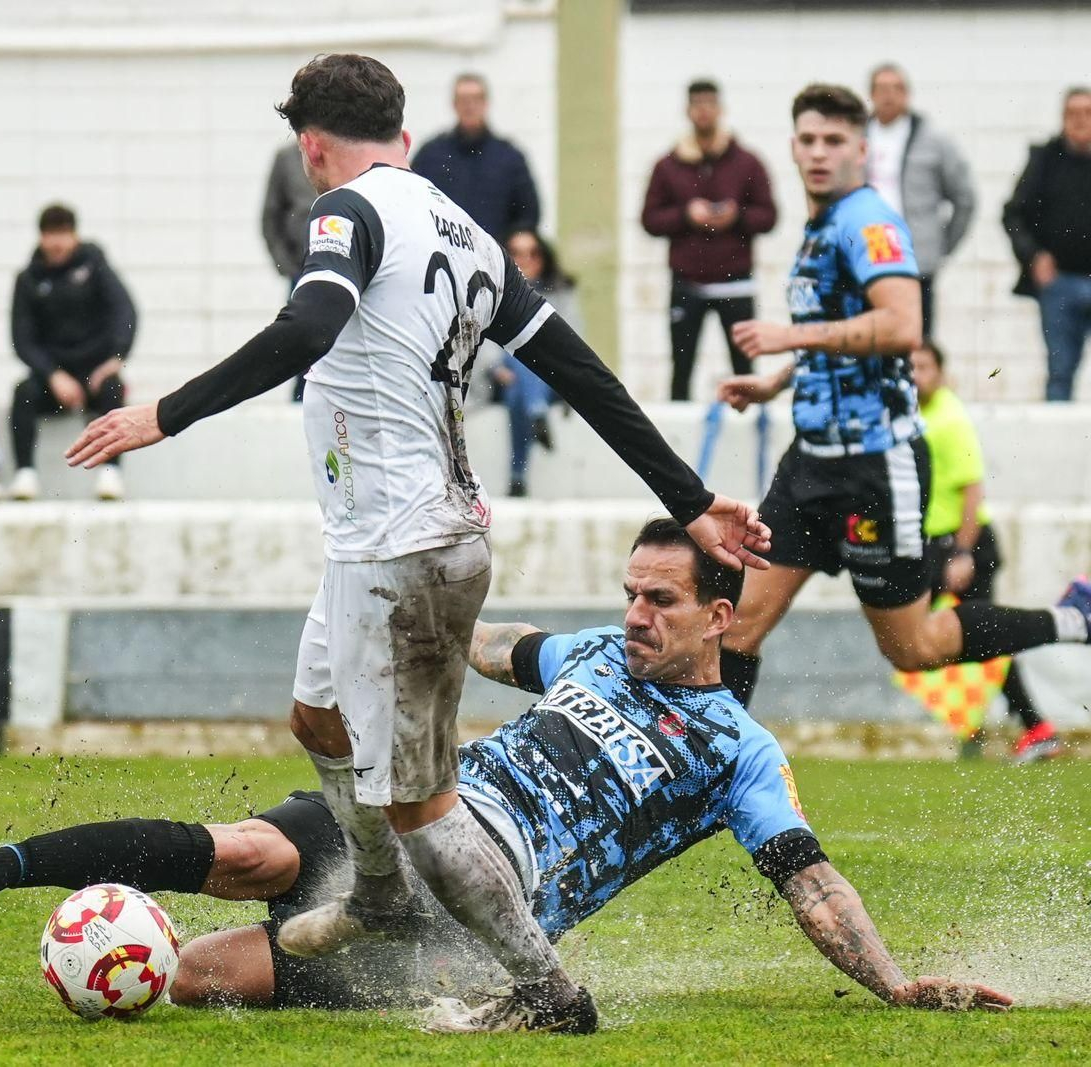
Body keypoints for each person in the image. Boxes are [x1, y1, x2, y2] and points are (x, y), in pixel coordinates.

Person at [64, 53, 768, 1034]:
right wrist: (687, 500)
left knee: (419, 804)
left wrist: (164, 413)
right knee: (317, 719)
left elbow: (307, 324)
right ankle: (379, 898)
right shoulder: (461, 227)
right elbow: (576, 366)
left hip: (405, 550)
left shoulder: (343, 212)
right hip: (382, 543)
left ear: (312, 146)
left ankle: (547, 989)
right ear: (401, 132)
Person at [0, 519, 1013, 1027]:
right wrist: (440, 576)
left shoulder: (738, 753)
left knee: (193, 975)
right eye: (628, 590)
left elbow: (807, 879)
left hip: (467, 918)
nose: (631, 613)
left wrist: (895, 984)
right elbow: (488, 641)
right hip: (411, 809)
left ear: (718, 616)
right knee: (249, 849)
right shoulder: (588, 650)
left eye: (657, 600)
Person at [714, 84, 1091, 711]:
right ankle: (711, 780)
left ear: (861, 149)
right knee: (739, 625)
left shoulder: (870, 222)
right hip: (807, 464)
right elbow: (845, 334)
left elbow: (902, 326)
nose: (819, 153)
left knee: (913, 646)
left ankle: (1073, 619)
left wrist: (787, 337)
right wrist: (778, 381)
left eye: (835, 141)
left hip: (873, 467)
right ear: (792, 146)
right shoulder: (820, 225)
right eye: (808, 140)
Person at [909, 342, 1062, 762]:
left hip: (963, 544)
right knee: (958, 637)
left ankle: (1034, 726)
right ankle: (980, 728)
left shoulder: (948, 417)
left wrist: (961, 552)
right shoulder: (919, 416)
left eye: (923, 366)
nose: (915, 374)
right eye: (909, 366)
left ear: (940, 373)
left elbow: (972, 490)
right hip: (937, 545)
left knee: (979, 636)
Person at [641, 79, 777, 401]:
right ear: (688, 111)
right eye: (697, 105)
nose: (704, 112)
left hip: (736, 283)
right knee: (681, 368)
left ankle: (750, 436)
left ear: (721, 109)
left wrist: (736, 216)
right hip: (687, 285)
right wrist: (687, 215)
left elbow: (768, 216)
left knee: (744, 369)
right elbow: (650, 219)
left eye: (710, 104)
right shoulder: (667, 165)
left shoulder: (747, 162)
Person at [7, 205, 138, 502]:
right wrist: (53, 375)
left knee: (113, 390)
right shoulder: (28, 279)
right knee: (23, 393)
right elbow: (22, 339)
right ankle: (25, 473)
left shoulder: (96, 267)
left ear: (75, 235)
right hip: (53, 375)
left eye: (64, 234)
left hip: (95, 371)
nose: (57, 243)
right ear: (41, 237)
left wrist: (115, 359)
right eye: (51, 235)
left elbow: (125, 312)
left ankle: (111, 473)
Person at [864, 64, 975, 337]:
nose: (889, 96)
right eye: (882, 89)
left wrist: (941, 247)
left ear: (908, 94)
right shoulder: (858, 137)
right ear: (871, 94)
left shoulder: (934, 141)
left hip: (913, 257)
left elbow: (965, 198)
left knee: (917, 339)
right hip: (867, 251)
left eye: (897, 88)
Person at [1002, 86, 1091, 402]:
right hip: (1060, 284)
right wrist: (1033, 256)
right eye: (1073, 114)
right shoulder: (1045, 161)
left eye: (1088, 113)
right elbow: (1013, 214)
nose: (1081, 121)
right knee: (1060, 372)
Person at [491, 230, 574, 497]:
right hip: (505, 377)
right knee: (519, 376)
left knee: (527, 367)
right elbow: (480, 342)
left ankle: (517, 477)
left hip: (552, 378)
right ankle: (536, 411)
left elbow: (573, 342)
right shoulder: (493, 292)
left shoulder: (561, 292)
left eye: (533, 253)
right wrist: (495, 368)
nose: (525, 259)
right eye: (516, 253)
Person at [411, 74, 540, 242]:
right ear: (454, 104)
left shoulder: (510, 158)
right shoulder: (430, 155)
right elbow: (413, 204)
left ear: (486, 103)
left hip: (495, 259)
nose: (470, 106)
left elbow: (528, 215)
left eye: (476, 99)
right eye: (463, 99)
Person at [261, 140, 321, 401]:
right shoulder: (286, 159)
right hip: (301, 270)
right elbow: (270, 217)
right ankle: (301, 404)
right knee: (301, 343)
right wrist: (284, 265)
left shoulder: (343, 152)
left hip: (342, 265)